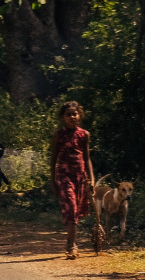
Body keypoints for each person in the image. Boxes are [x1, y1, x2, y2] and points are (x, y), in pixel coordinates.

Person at [50, 100, 95, 260]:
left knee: (76, 211)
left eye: (74, 114)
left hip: (80, 176)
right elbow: (53, 158)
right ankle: (72, 244)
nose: (72, 117)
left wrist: (91, 179)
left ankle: (70, 242)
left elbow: (87, 157)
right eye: (68, 114)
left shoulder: (84, 134)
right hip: (63, 175)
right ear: (63, 117)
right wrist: (53, 181)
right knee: (71, 207)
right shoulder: (58, 135)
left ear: (79, 115)